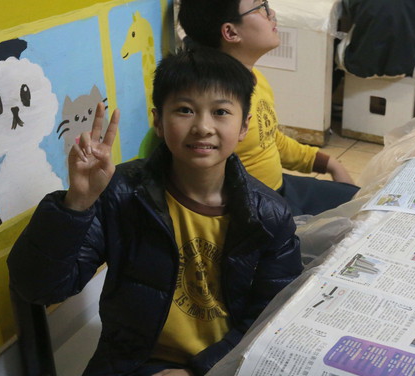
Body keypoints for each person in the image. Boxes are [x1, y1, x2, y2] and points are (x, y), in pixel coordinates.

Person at [7, 47, 303, 376]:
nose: (203, 127)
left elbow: (272, 317)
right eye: (185, 110)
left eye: (220, 112)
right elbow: (41, 288)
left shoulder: (269, 215)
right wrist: (76, 203)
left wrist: (199, 373)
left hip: (233, 357)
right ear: (158, 122)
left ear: (243, 126)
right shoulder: (121, 193)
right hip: (150, 364)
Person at [146, 0, 358, 217]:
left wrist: (329, 163)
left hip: (281, 188)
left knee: (362, 201)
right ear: (230, 32)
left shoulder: (256, 79)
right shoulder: (216, 105)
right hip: (257, 208)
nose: (271, 13)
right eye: (261, 7)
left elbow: (271, 139)